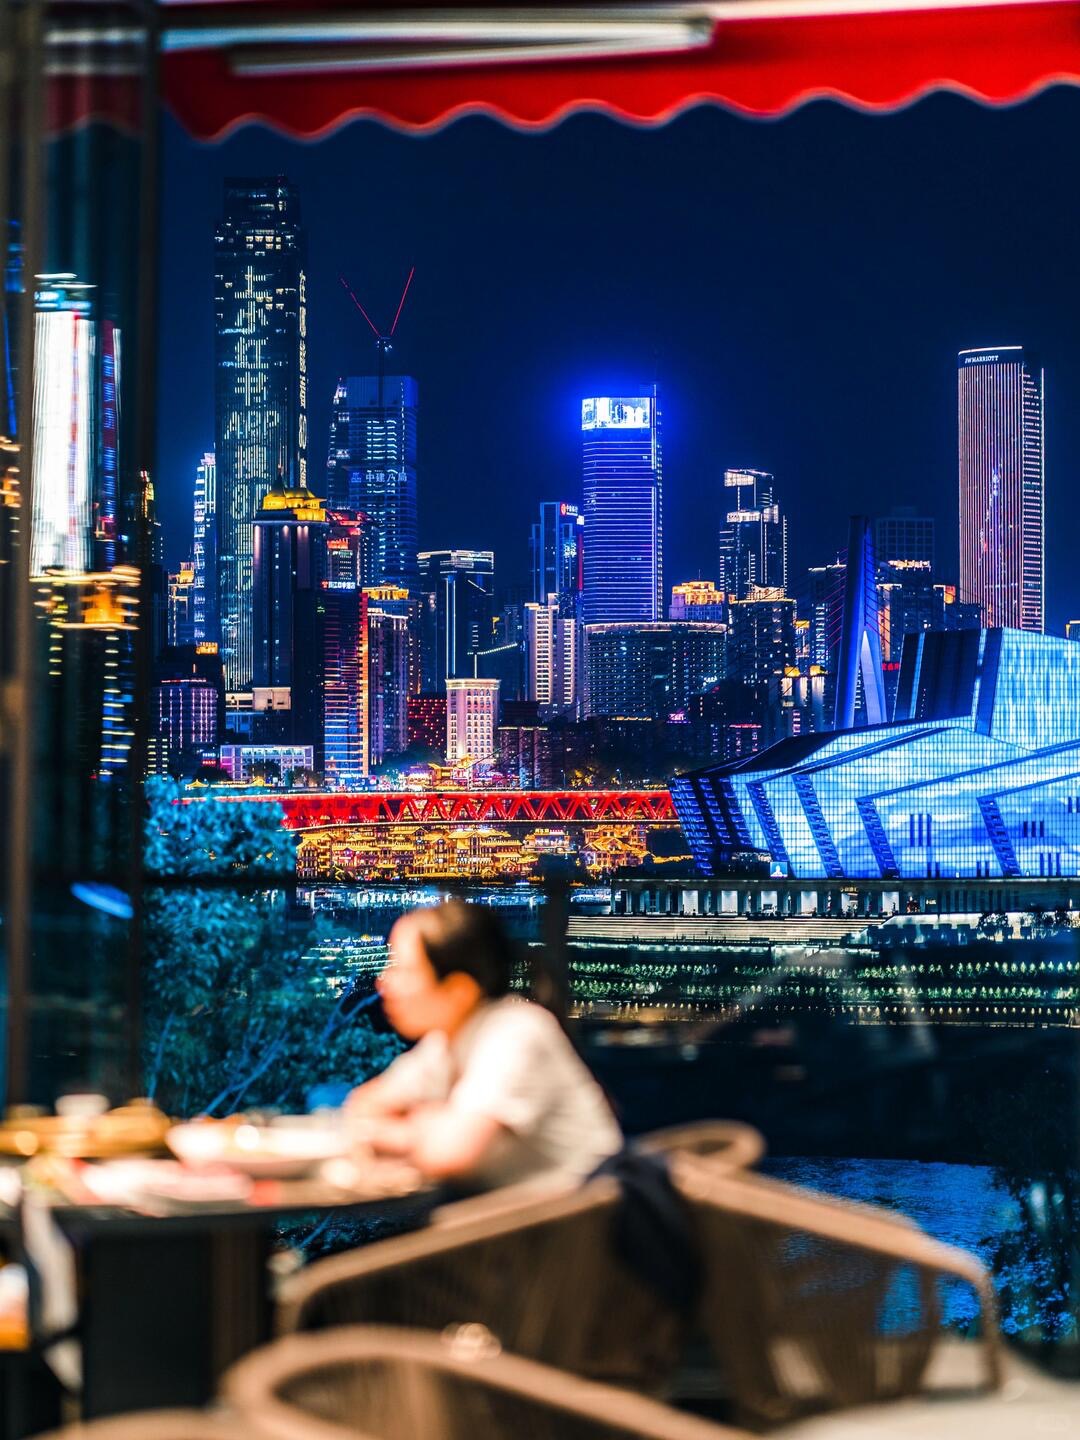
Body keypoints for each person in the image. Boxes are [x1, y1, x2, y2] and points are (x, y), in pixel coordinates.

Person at [346, 899, 623, 1189]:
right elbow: (364, 1107)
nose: (383, 983)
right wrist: (431, 1125)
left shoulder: (516, 1032)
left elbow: (451, 1153)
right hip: (532, 1222)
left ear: (459, 990)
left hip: (592, 1225)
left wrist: (417, 1125)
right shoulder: (444, 1044)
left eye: (403, 970)